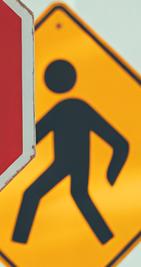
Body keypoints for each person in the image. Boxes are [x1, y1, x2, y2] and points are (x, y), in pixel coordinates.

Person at [12, 59, 129, 245]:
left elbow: (32, 139)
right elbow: (120, 144)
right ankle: (107, 239)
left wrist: (112, 174)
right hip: (76, 164)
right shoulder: (76, 107)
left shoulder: (68, 109)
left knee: (33, 194)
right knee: (79, 195)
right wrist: (111, 174)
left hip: (65, 164)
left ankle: (19, 241)